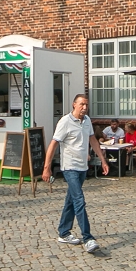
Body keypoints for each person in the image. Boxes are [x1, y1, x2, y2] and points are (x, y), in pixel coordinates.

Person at [42, 94, 108, 254]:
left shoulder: (87, 121)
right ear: (74, 105)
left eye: (86, 105)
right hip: (69, 167)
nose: (84, 107)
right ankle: (88, 238)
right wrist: (46, 167)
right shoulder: (65, 122)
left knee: (71, 200)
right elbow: (53, 144)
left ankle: (64, 232)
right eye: (81, 104)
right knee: (79, 200)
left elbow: (93, 140)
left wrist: (103, 160)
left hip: (82, 167)